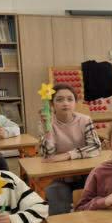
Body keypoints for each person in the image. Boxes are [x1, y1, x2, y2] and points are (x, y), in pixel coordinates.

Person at [38, 83, 101, 214]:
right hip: (60, 177)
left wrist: (67, 155)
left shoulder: (85, 120)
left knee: (96, 195)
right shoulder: (47, 122)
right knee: (55, 194)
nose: (65, 103)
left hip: (86, 174)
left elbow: (95, 147)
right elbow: (47, 156)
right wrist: (48, 131)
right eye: (59, 100)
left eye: (70, 99)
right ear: (52, 104)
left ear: (75, 103)